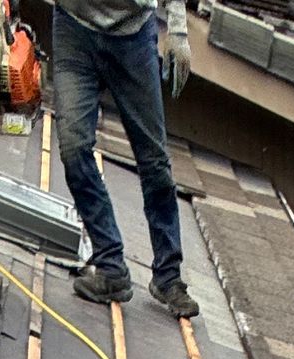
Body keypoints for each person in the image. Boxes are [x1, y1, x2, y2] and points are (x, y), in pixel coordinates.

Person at [50, 0, 199, 317]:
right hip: (74, 28)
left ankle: (168, 277)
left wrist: (179, 32)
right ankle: (110, 267)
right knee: (73, 147)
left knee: (155, 161)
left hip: (132, 35)